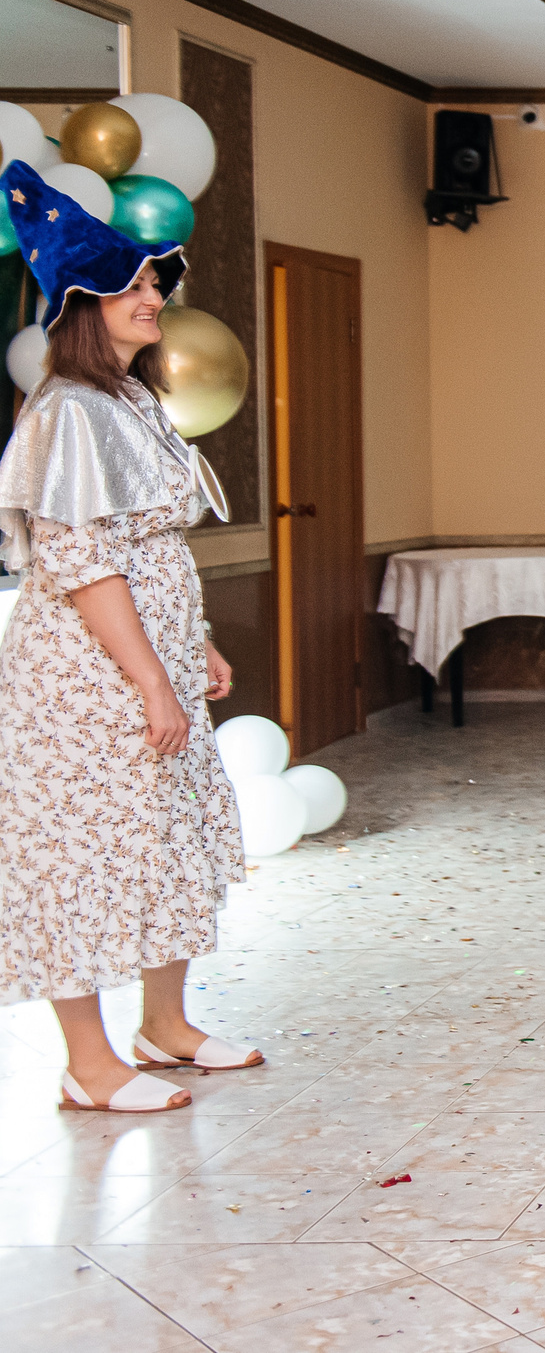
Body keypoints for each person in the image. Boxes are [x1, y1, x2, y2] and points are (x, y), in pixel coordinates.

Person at [0, 159, 251, 1112]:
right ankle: (87, 1062)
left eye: (154, 283)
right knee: (83, 851)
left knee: (165, 837)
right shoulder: (68, 411)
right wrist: (150, 679)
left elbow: (153, 551)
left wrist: (197, 648)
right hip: (88, 673)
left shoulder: (133, 401)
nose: (155, 299)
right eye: (136, 285)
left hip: (153, 652)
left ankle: (166, 1024)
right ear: (83, 301)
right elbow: (88, 563)